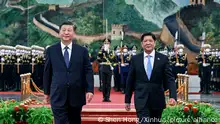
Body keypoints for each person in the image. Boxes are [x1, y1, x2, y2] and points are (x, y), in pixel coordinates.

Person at [43, 21, 94, 124]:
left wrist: (90, 90)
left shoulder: (82, 51)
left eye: (69, 30)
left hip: (76, 94)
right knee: (60, 121)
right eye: (64, 30)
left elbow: (88, 71)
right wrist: (46, 92)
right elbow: (47, 72)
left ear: (73, 33)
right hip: (57, 94)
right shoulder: (51, 50)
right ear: (59, 32)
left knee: (75, 121)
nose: (66, 33)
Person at [125, 32, 177, 124]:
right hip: (141, 99)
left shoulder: (163, 59)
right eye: (145, 41)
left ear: (154, 43)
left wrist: (173, 96)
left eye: (150, 41)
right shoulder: (135, 59)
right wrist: (127, 100)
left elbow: (170, 79)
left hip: (157, 99)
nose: (148, 43)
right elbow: (130, 80)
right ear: (142, 44)